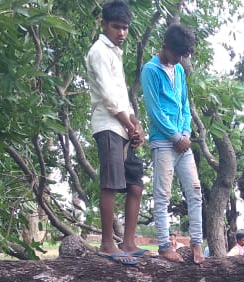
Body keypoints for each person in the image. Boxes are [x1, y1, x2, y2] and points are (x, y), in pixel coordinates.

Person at [86, 1, 150, 266]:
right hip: (108, 126)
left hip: (124, 126)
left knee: (135, 184)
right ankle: (106, 243)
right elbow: (110, 98)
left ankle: (129, 242)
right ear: (104, 25)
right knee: (111, 183)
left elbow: (123, 97)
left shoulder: (116, 53)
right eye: (116, 27)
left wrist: (136, 124)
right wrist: (128, 123)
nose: (121, 32)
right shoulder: (98, 51)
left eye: (125, 28)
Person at [141, 24, 205, 265]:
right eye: (176, 53)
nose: (178, 59)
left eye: (182, 55)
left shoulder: (178, 70)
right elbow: (154, 110)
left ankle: (197, 243)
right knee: (163, 194)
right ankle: (164, 246)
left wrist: (186, 132)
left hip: (183, 140)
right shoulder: (150, 70)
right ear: (165, 47)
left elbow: (185, 104)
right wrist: (175, 137)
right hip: (164, 142)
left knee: (195, 191)